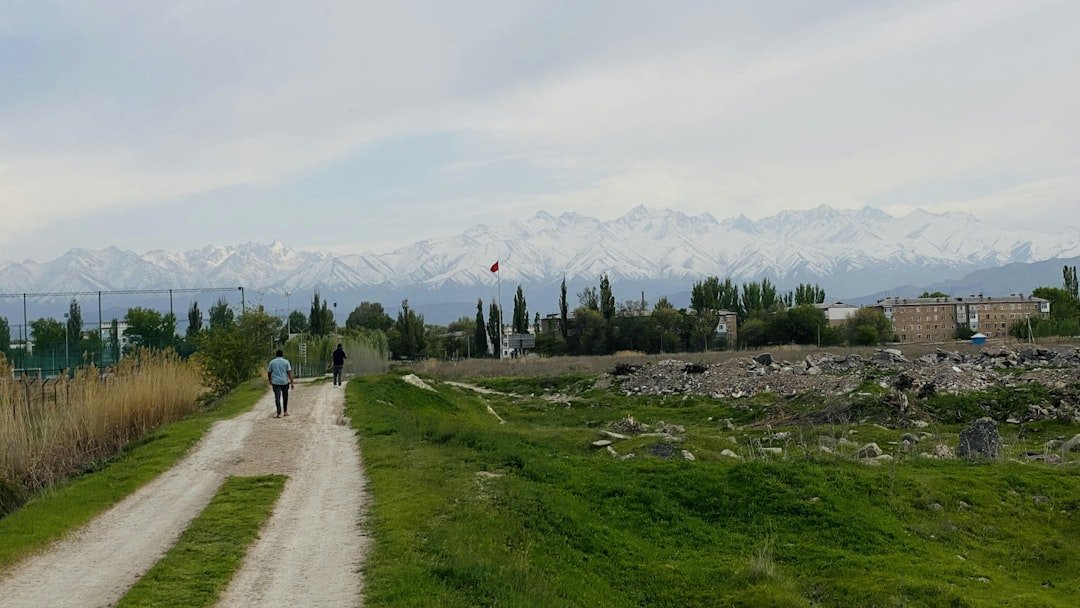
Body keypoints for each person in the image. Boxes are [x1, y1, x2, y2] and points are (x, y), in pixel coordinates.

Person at [267, 349, 295, 417]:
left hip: (276, 382)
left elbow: (269, 372)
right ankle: (285, 412)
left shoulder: (272, 362)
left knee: (277, 397)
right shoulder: (286, 362)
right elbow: (289, 373)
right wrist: (292, 382)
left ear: (276, 355)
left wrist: (270, 379)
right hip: (284, 381)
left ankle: (278, 413)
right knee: (285, 397)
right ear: (282, 355)